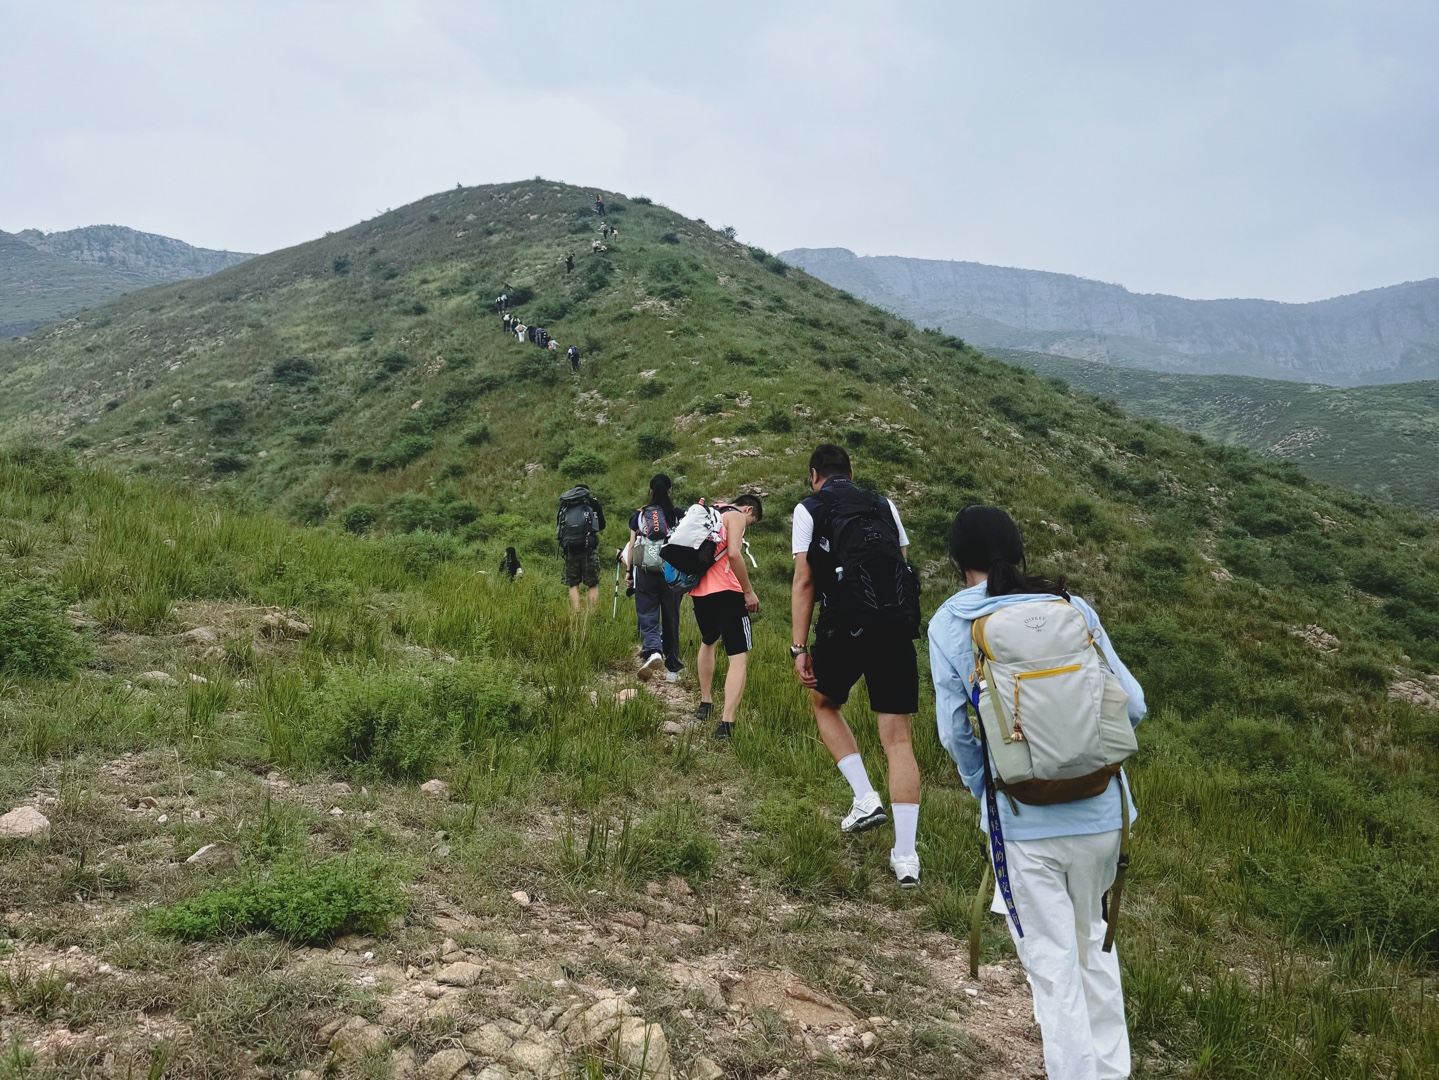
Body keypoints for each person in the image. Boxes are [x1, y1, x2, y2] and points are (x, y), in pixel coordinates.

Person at [929, 506, 1145, 1080]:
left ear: (958, 562)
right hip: (1104, 814)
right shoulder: (1070, 606)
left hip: (1022, 822)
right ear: (1020, 551)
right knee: (1095, 943)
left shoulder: (951, 620)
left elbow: (954, 730)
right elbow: (1135, 704)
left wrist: (990, 786)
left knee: (1052, 966)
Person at [790, 444, 924, 887]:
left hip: (845, 623)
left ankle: (865, 797)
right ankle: (906, 859)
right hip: (895, 624)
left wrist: (799, 647)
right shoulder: (883, 503)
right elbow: (901, 565)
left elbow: (805, 580)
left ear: (815, 475)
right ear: (851, 471)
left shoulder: (809, 508)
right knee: (897, 739)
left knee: (824, 702)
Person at [690, 494, 763, 739]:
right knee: (738, 656)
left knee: (708, 640)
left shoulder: (709, 514)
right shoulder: (737, 516)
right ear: (749, 510)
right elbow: (733, 554)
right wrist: (748, 591)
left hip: (699, 591)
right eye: (751, 522)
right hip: (728, 592)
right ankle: (726, 724)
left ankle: (705, 703)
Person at [623, 474, 685, 682]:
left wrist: (629, 573)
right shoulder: (677, 515)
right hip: (671, 573)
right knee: (671, 617)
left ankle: (653, 651)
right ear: (670, 491)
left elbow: (632, 545)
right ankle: (673, 669)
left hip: (645, 572)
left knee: (647, 613)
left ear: (650, 491)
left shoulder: (640, 515)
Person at [556, 484, 606, 612]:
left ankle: (576, 612)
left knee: (573, 584)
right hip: (588, 548)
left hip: (570, 549)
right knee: (593, 584)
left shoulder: (567, 503)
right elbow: (601, 525)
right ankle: (592, 613)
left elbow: (560, 527)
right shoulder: (592, 502)